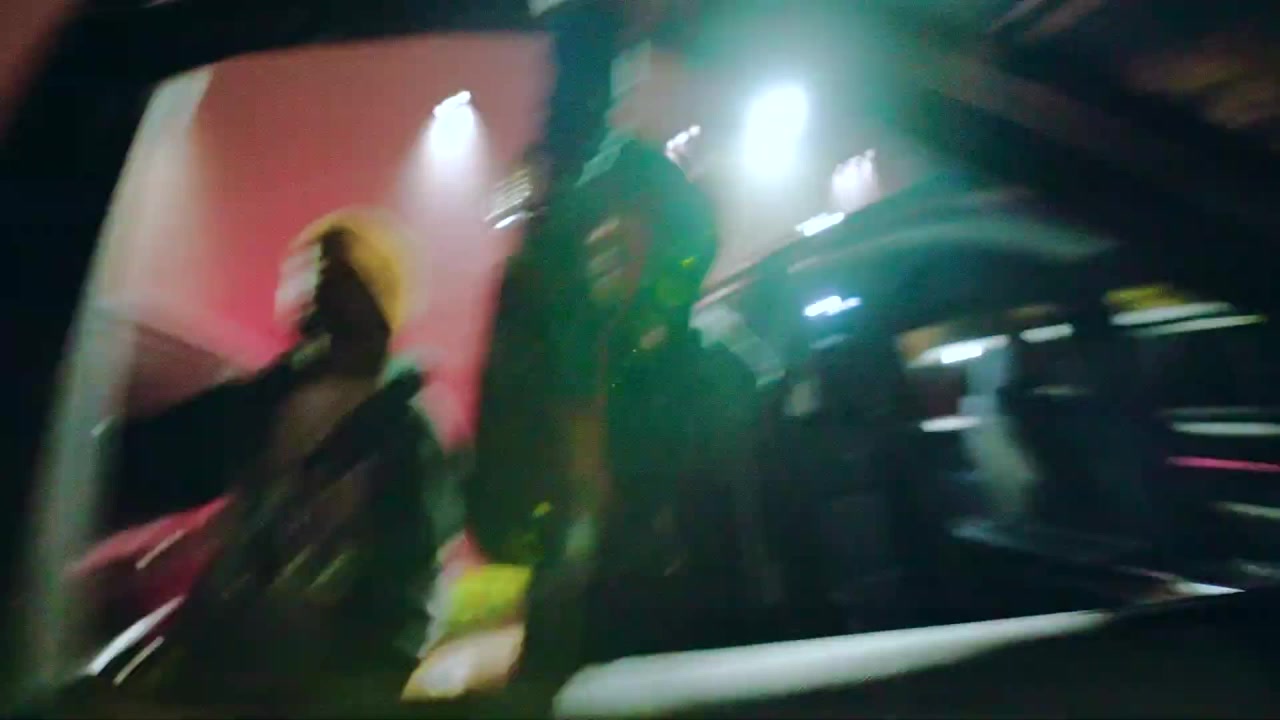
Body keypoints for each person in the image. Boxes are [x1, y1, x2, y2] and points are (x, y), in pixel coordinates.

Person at [404, 139, 777, 700]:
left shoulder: (720, 377)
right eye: (594, 217)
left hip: (696, 674)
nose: (605, 233)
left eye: (631, 212)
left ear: (676, 238)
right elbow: (500, 528)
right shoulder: (564, 384)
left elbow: (746, 555)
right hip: (572, 674)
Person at [81, 209, 457, 713]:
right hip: (226, 664)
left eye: (333, 279)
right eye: (312, 277)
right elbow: (168, 461)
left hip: (311, 683)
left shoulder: (405, 434)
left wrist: (365, 687)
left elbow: (410, 584)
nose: (311, 297)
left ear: (374, 299)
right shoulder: (270, 401)